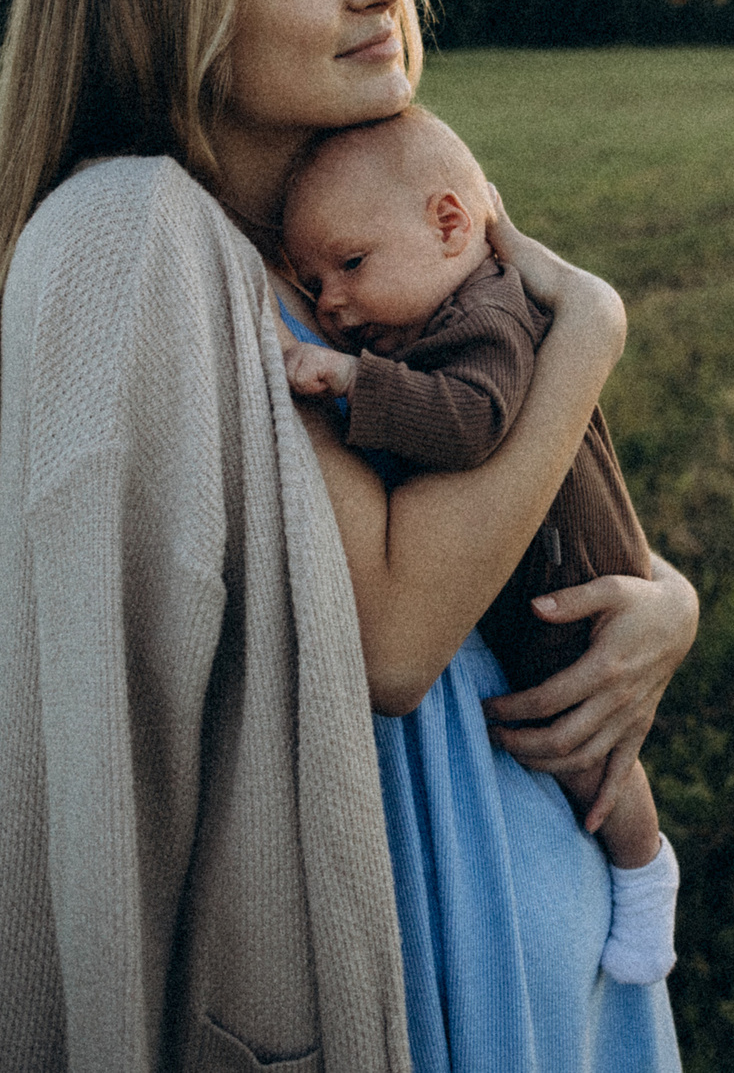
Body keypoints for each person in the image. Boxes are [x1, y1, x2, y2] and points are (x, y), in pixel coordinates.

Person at [0, 0, 694, 1071]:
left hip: (530, 875)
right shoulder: (139, 238)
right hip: (405, 921)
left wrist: (666, 597)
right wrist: (594, 330)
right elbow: (399, 640)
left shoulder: (342, 250)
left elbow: (538, 484)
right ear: (157, 16)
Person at [276, 107, 679, 986]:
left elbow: (469, 422)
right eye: (312, 283)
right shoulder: (443, 304)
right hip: (543, 578)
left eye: (350, 267)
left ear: (452, 224)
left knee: (596, 767)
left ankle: (648, 875)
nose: (333, 305)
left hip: (563, 598)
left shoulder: (486, 316)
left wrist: (347, 380)